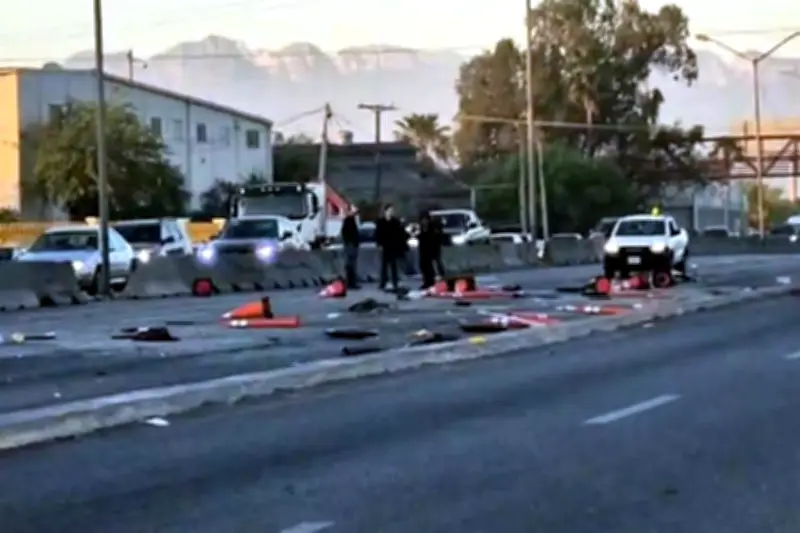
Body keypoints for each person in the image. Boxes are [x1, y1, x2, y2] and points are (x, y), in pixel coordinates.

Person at [375, 203, 406, 292]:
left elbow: (399, 233)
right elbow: (378, 234)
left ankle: (395, 282)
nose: (391, 212)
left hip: (393, 245)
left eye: (392, 211)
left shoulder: (395, 221)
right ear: (385, 211)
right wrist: (379, 244)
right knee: (384, 265)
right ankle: (383, 282)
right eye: (389, 211)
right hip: (385, 245)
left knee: (393, 265)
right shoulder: (381, 222)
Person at [417, 210, 445, 289]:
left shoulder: (433, 227)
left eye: (425, 219)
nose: (424, 221)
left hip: (432, 250)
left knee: (432, 267)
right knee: (424, 267)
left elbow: (437, 237)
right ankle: (426, 282)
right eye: (422, 220)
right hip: (423, 250)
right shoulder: (420, 228)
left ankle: (432, 282)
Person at [340, 204, 360, 289]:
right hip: (350, 245)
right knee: (350, 264)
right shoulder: (348, 220)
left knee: (352, 264)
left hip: (352, 245)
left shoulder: (352, 219)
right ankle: (351, 283)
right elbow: (346, 233)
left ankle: (352, 282)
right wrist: (350, 242)